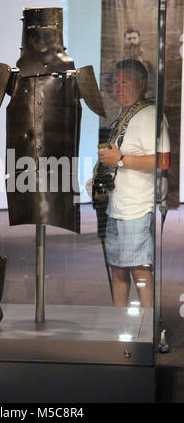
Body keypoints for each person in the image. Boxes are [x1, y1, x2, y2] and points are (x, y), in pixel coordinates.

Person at [96, 59, 170, 308]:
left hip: (137, 208)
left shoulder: (149, 115)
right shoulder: (125, 114)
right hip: (118, 206)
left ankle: (146, 330)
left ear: (141, 85)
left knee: (139, 271)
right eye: (115, 82)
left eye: (124, 82)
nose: (118, 88)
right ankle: (119, 327)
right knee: (117, 269)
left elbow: (163, 161)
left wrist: (122, 160)